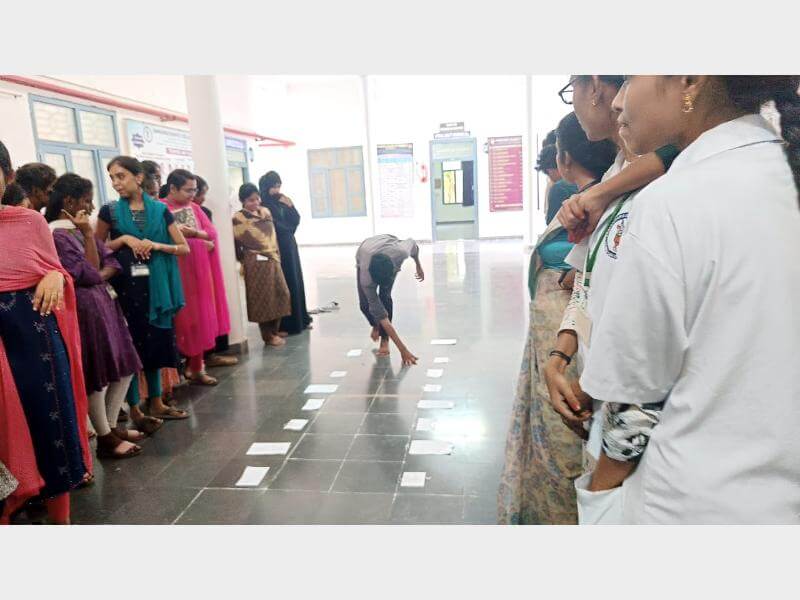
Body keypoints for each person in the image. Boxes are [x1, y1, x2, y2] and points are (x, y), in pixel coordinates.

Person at [573, 76, 800, 524]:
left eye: (631, 77)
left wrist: (598, 494)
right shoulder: (777, 172)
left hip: (686, 503)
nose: (619, 101)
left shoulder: (672, 202)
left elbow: (634, 401)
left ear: (689, 81)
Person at [498, 112, 616, 524]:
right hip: (567, 330)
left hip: (572, 328)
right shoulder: (605, 194)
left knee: (565, 428)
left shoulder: (590, 199)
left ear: (564, 159)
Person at [0, 140, 92, 524]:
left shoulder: (29, 222)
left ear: (7, 177)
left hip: (33, 334)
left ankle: (60, 520)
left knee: (49, 420)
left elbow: (55, 269)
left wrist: (56, 275)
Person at [45, 174, 144, 458]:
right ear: (68, 201)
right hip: (85, 310)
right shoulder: (57, 236)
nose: (90, 206)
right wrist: (90, 243)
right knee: (99, 371)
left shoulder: (79, 230)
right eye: (86, 200)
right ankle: (105, 436)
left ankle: (111, 427)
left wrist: (96, 275)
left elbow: (109, 262)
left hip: (104, 303)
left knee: (124, 365)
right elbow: (87, 271)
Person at [95, 156, 190, 423]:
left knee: (155, 341)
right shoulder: (109, 211)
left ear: (138, 177)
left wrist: (156, 245)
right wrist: (125, 239)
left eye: (121, 176)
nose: (116, 183)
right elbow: (95, 249)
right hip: (125, 287)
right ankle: (134, 406)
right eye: (112, 178)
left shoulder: (160, 210)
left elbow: (183, 247)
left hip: (157, 287)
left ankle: (156, 402)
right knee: (131, 344)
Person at [162, 169, 231, 385]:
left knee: (198, 318)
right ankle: (173, 376)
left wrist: (193, 234)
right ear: (172, 188)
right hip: (174, 271)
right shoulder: (160, 208)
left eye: (194, 190)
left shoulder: (194, 208)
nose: (193, 194)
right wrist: (195, 239)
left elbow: (211, 233)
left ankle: (197, 368)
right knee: (178, 320)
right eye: (188, 190)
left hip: (197, 273)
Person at [232, 183, 291, 347]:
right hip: (255, 262)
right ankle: (267, 336)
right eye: (251, 200)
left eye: (257, 199)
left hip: (272, 258)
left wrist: (277, 254)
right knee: (262, 298)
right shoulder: (238, 218)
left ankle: (275, 330)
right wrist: (244, 260)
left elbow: (272, 235)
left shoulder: (265, 212)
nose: (255, 202)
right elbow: (236, 243)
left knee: (281, 293)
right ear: (243, 201)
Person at [355, 234, 424, 366]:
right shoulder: (366, 280)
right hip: (364, 253)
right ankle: (376, 325)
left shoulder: (401, 252)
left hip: (388, 246)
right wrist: (403, 350)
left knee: (385, 297)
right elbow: (382, 316)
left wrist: (418, 265)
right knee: (364, 305)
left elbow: (413, 244)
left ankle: (384, 340)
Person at [259, 171, 312, 335]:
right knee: (283, 283)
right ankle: (285, 324)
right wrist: (287, 230)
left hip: (289, 245)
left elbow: (296, 219)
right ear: (266, 187)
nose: (277, 190)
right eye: (274, 186)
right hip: (276, 246)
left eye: (278, 186)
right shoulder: (263, 205)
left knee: (295, 280)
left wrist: (291, 206)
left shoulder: (281, 200)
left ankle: (300, 319)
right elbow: (272, 225)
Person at [192, 174, 237, 368]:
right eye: (199, 193)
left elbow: (209, 237)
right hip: (189, 268)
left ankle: (210, 354)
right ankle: (198, 360)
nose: (202, 198)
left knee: (210, 306)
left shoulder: (203, 211)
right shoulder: (169, 210)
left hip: (206, 264)